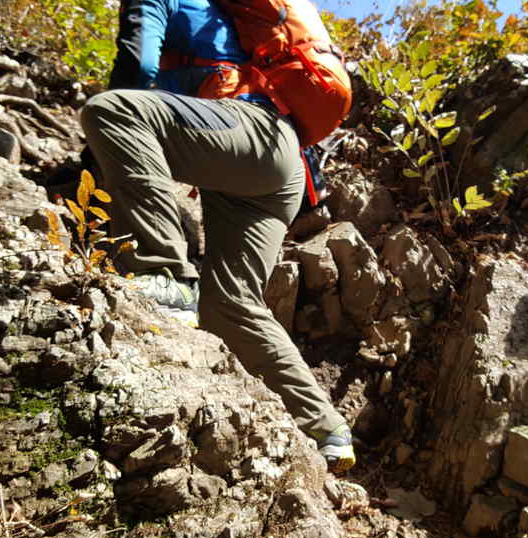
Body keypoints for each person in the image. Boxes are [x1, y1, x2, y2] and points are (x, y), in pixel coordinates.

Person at [79, 0, 355, 472]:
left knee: (111, 110)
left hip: (246, 132)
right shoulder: (228, 14)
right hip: (281, 162)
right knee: (231, 304)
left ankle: (163, 273)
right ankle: (326, 427)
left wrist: (102, 158)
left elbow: (138, 65)